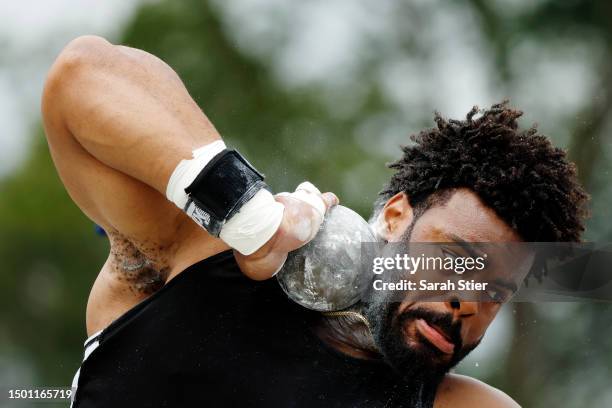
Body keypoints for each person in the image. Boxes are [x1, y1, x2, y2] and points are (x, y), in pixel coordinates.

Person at [41, 35, 588, 408]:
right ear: (396, 216)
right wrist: (250, 219)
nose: (467, 302)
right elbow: (83, 73)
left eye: (496, 290)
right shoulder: (196, 259)